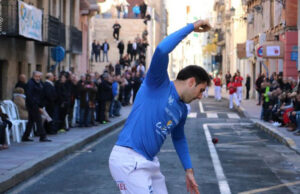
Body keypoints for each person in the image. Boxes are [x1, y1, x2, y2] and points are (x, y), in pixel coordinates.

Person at [109, 19, 211, 194]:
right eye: (201, 90)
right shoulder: (158, 82)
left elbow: (179, 138)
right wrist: (192, 26)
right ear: (191, 82)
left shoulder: (182, 109)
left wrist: (188, 170)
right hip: (128, 159)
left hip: (150, 162)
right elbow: (162, 49)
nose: (200, 96)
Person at [22, 71, 51, 142]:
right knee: (38, 120)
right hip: (32, 105)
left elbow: (42, 93)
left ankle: (25, 136)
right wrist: (36, 105)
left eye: (39, 76)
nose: (38, 78)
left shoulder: (40, 83)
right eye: (37, 76)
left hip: (38, 104)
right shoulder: (30, 83)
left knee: (31, 121)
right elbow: (30, 96)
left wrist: (41, 104)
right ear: (33, 76)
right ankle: (42, 136)